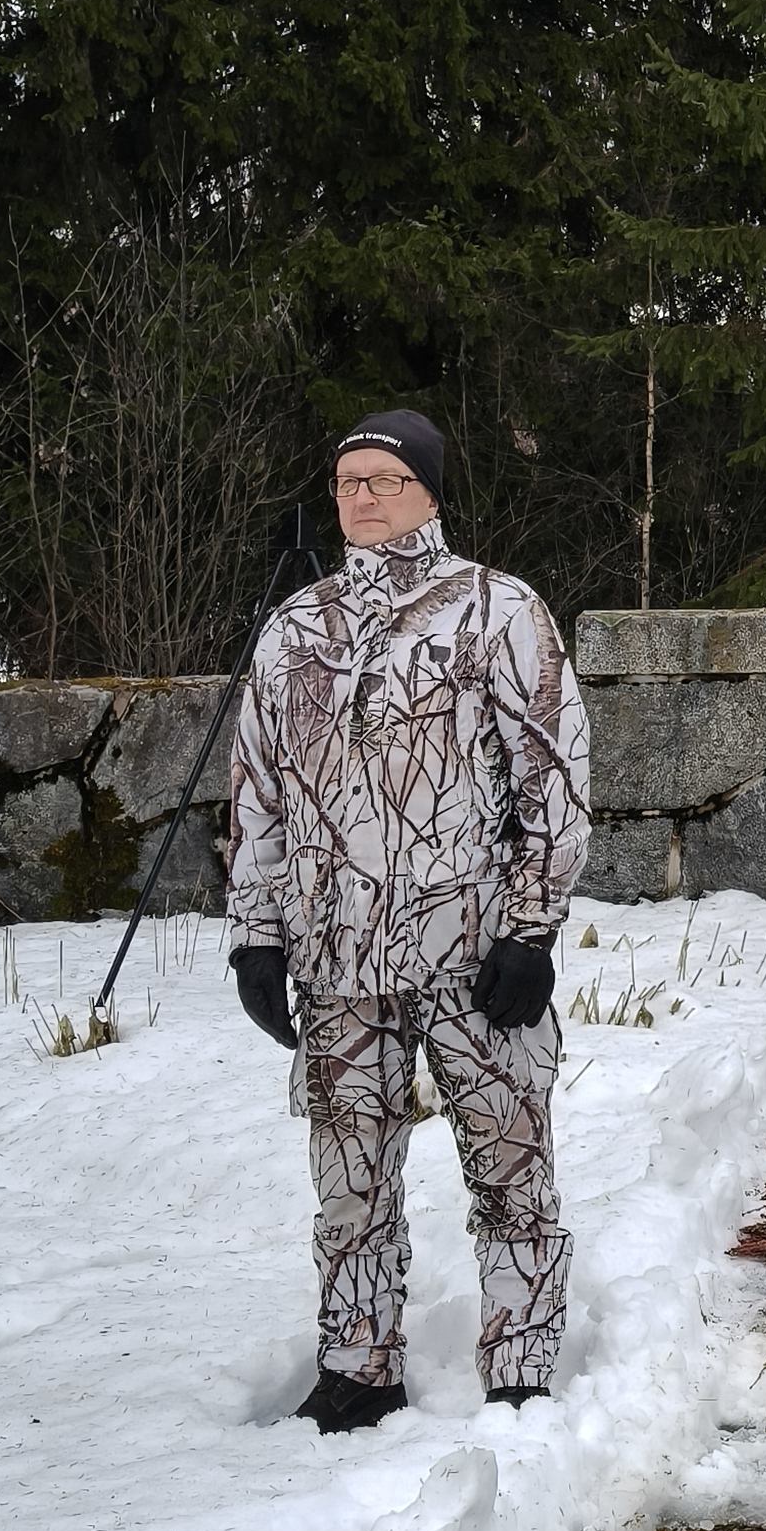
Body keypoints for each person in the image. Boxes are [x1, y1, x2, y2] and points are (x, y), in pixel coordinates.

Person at [225, 410, 590, 1433]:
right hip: (336, 956)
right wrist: (257, 936)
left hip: (471, 949)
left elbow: (551, 781)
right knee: (349, 1180)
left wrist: (531, 929)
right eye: (350, 483)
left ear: (429, 489)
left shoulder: (497, 610)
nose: (366, 497)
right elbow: (258, 797)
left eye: (388, 478)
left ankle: (520, 1364)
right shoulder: (295, 630)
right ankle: (357, 1363)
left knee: (511, 1163)